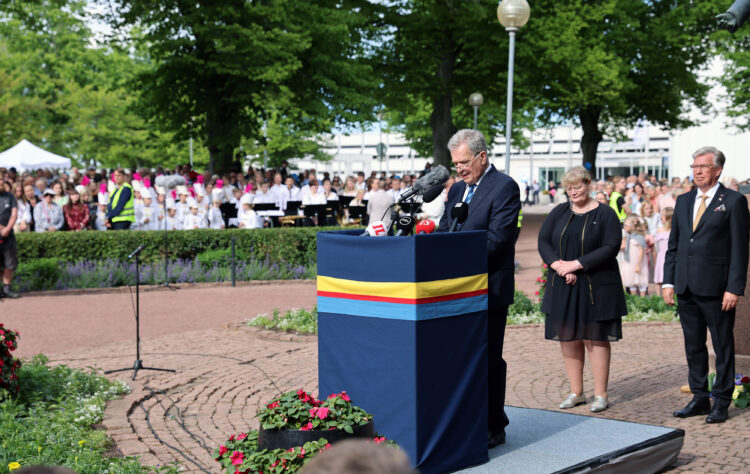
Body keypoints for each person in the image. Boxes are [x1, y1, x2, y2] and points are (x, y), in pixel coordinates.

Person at [437, 129, 520, 448]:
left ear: (482, 157)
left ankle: (493, 424)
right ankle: (465, 419)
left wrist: (453, 252)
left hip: (488, 290)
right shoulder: (456, 191)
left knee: (487, 359)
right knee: (460, 359)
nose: (458, 168)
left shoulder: (504, 187)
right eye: (455, 163)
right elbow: (446, 230)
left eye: (463, 161)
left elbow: (498, 240)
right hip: (456, 291)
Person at [664, 146, 749, 424]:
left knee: (723, 346)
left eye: (703, 166)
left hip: (717, 289)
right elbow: (674, 245)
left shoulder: (734, 201)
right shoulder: (684, 200)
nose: (697, 171)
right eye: (694, 166)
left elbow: (740, 249)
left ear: (717, 170)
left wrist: (734, 288)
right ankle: (700, 397)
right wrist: (668, 280)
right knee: (694, 346)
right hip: (685, 286)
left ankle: (721, 401)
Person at [538, 166, 626, 414]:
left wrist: (576, 265)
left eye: (578, 186)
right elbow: (543, 241)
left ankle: (601, 394)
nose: (574, 192)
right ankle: (577, 392)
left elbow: (611, 246)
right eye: (569, 188)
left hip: (595, 287)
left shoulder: (606, 214)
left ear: (589, 184)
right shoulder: (559, 212)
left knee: (595, 338)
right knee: (568, 338)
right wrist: (557, 265)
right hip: (562, 284)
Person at [0, 181, 20, 298]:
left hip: (8, 235)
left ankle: (6, 288)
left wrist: (7, 228)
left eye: (2, 179)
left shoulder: (10, 196)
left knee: (10, 263)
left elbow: (14, 214)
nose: (1, 182)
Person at [620, 216, 649, 296]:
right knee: (631, 282)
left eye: (626, 225)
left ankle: (643, 301)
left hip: (637, 263)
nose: (624, 227)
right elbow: (623, 247)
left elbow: (641, 251)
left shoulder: (639, 237)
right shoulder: (627, 237)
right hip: (630, 263)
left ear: (632, 227)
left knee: (641, 282)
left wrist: (638, 265)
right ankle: (634, 301)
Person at [652, 206, 673, 291]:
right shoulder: (660, 230)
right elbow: (656, 247)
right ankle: (658, 297)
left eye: (663, 215)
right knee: (659, 278)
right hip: (661, 256)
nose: (661, 217)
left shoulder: (674, 230)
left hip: (671, 255)